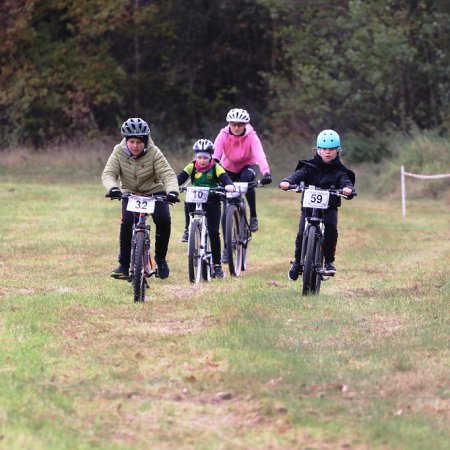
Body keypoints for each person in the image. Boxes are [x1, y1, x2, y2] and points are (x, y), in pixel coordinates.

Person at [102, 117, 179, 279]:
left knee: (164, 220)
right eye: (131, 141)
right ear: (126, 141)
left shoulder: (154, 152)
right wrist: (113, 188)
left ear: (146, 141)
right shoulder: (118, 151)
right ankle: (123, 265)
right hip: (130, 193)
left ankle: (161, 259)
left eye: (139, 142)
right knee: (127, 223)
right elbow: (109, 173)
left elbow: (167, 174)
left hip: (154, 193)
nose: (135, 145)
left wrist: (172, 192)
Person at [279, 129, 355, 279]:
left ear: (337, 150)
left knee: (331, 228)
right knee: (301, 232)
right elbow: (297, 175)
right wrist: (287, 182)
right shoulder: (308, 166)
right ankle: (297, 262)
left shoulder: (341, 171)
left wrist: (348, 189)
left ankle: (329, 262)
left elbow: (346, 182)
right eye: (324, 149)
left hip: (329, 207)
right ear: (318, 149)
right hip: (308, 208)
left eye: (332, 149)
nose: (328, 152)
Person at [212, 108, 272, 261]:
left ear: (246, 124)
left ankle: (253, 216)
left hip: (248, 166)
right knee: (226, 207)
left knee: (248, 181)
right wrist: (213, 172)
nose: (237, 127)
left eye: (240, 124)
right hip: (228, 168)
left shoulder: (251, 135)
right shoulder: (223, 135)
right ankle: (227, 248)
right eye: (233, 124)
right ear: (229, 124)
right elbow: (215, 156)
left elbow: (260, 154)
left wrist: (266, 173)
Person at [177, 139, 235, 279]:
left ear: (211, 157)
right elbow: (181, 177)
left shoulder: (216, 167)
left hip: (213, 201)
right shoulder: (191, 166)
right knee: (188, 199)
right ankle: (187, 229)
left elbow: (225, 178)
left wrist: (228, 185)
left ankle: (217, 265)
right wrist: (173, 186)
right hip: (196, 199)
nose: (202, 161)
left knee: (214, 232)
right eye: (199, 157)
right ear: (195, 157)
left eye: (205, 158)